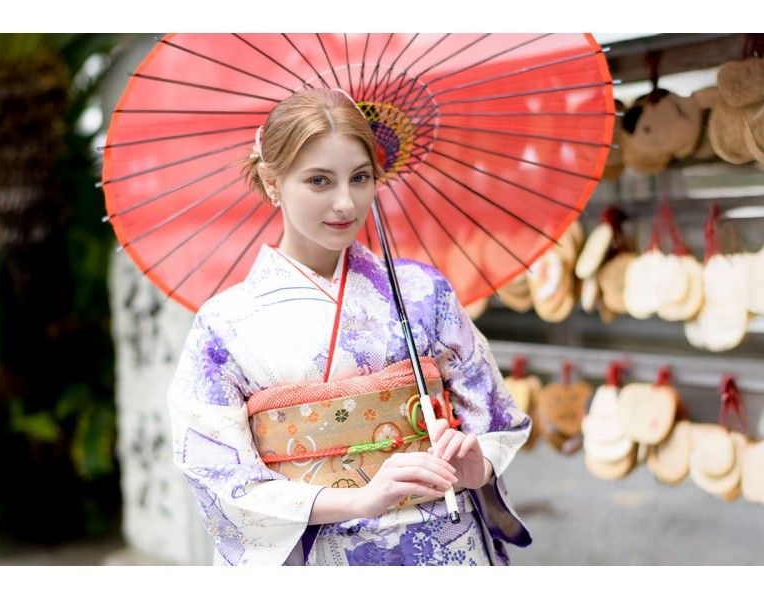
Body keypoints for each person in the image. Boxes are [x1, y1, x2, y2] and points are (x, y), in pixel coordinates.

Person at [166, 88, 532, 566]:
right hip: (324, 550)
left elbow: (495, 418)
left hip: (446, 541)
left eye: (360, 178)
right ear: (272, 182)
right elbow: (216, 472)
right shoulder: (224, 325)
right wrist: (360, 500)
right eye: (319, 181)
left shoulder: (423, 292)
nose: (345, 203)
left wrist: (474, 464)